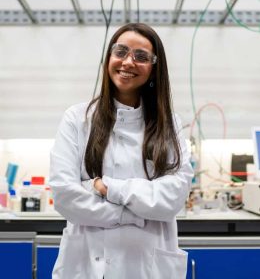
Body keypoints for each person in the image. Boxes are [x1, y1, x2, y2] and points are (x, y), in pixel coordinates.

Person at [49, 23, 193, 279]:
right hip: (85, 265)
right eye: (121, 52)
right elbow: (65, 196)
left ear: (154, 68)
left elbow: (172, 198)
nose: (128, 62)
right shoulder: (78, 119)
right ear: (109, 58)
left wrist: (106, 188)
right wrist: (134, 214)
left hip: (147, 267)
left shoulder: (169, 125)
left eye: (141, 57)